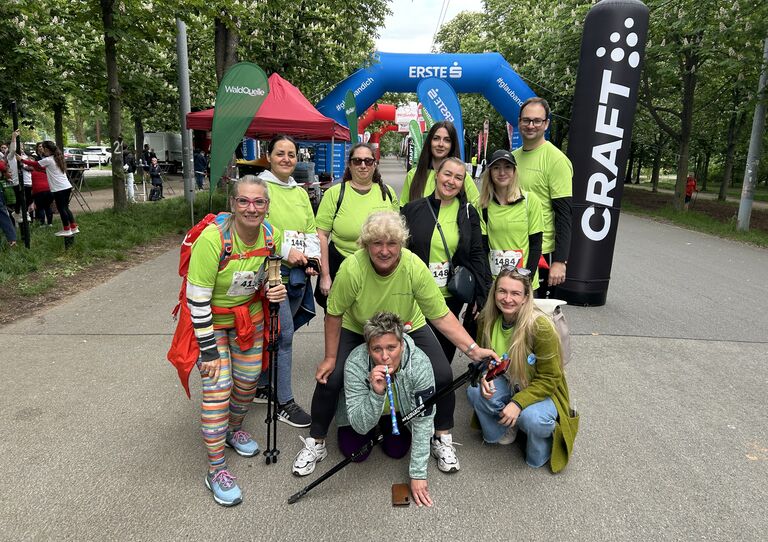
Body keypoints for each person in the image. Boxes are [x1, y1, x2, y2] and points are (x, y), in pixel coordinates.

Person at [292, 210, 499, 477]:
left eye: (392, 243)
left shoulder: (413, 266)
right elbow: (334, 314)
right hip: (359, 326)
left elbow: (441, 315)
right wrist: (330, 357)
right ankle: (316, 440)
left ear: (401, 243)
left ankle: (441, 437)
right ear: (366, 244)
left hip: (406, 325)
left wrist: (473, 350)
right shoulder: (353, 268)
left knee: (442, 373)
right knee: (331, 378)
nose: (384, 250)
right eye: (377, 243)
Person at [186, 174, 287, 506]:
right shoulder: (213, 240)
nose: (251, 208)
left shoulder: (270, 236)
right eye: (243, 200)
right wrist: (208, 352)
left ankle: (233, 429)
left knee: (246, 383)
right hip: (212, 324)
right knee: (219, 390)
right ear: (232, 204)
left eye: (258, 202)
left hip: (248, 321)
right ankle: (216, 469)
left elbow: (269, 275)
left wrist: (274, 288)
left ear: (267, 206)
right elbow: (196, 300)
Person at [466, 267, 578, 472]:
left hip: (539, 387)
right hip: (507, 379)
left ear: (526, 297)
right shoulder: (486, 319)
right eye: (502, 291)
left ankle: (540, 439)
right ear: (494, 292)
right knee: (474, 391)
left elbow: (550, 378)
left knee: (533, 419)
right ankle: (507, 426)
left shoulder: (540, 326)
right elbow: (483, 359)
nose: (507, 299)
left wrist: (518, 403)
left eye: (515, 293)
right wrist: (484, 376)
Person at [251, 135, 317, 428]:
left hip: (298, 274)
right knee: (284, 335)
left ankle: (262, 385)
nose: (287, 159)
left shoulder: (300, 192)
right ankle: (284, 402)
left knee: (276, 334)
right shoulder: (259, 187)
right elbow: (255, 226)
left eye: (292, 154)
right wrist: (286, 250)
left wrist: (312, 258)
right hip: (271, 273)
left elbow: (310, 229)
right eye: (280, 153)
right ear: (268, 155)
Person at [339, 312, 436, 507]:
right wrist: (376, 393)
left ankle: (384, 426)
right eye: (377, 349)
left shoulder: (419, 363)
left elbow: (424, 419)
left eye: (391, 347)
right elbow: (360, 425)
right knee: (355, 453)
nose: (384, 357)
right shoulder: (355, 362)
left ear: (402, 344)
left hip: (399, 413)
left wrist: (418, 474)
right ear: (368, 349)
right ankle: (377, 424)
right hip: (364, 409)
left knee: (397, 451)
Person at [402, 157, 491, 362]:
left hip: (450, 298)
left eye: (458, 178)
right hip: (416, 297)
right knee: (414, 354)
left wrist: (481, 296)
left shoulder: (468, 212)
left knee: (442, 356)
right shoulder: (412, 210)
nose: (451, 181)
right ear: (437, 176)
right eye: (447, 174)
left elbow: (477, 254)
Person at [314, 142, 399, 307]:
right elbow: (322, 235)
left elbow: (397, 236)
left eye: (368, 161)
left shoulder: (387, 193)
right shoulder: (334, 194)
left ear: (375, 164)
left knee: (375, 317)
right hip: (340, 265)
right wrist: (325, 275)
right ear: (350, 165)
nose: (363, 165)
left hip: (378, 268)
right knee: (337, 315)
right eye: (357, 161)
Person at [512, 97, 573, 298]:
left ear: (546, 124)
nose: (531, 125)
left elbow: (564, 214)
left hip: (540, 253)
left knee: (537, 313)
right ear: (519, 122)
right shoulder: (512, 159)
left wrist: (560, 261)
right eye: (526, 120)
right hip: (511, 248)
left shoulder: (556, 160)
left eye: (537, 120)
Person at [480, 149, 544, 285]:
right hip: (496, 284)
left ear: (514, 171)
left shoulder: (530, 201)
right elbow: (482, 249)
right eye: (496, 168)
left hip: (525, 281)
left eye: (508, 167)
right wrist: (488, 283)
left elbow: (536, 246)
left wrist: (526, 282)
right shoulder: (482, 205)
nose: (502, 172)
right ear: (489, 172)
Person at [400, 121, 481, 208]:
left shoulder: (462, 177)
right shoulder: (413, 175)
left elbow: (478, 207)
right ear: (429, 141)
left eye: (447, 140)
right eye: (436, 138)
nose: (441, 144)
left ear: (452, 145)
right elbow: (403, 208)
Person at [21, 141, 78, 237]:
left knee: (61, 209)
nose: (42, 150)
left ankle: (67, 229)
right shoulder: (57, 158)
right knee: (65, 208)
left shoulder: (48, 160)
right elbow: (41, 168)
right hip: (66, 186)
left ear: (47, 149)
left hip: (59, 188)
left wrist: (21, 160)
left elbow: (35, 164)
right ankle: (73, 227)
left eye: (43, 148)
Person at [27, 143, 53, 226]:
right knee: (47, 206)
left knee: (40, 207)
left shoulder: (32, 171)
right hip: (48, 189)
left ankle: (42, 224)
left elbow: (28, 167)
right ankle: (50, 223)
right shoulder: (44, 169)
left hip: (39, 190)